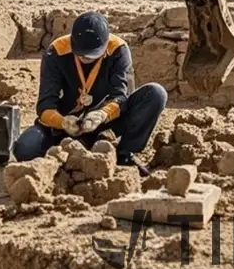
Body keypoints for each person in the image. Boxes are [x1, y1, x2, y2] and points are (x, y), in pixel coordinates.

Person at [11, 11, 167, 176]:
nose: (85, 58)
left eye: (92, 55)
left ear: (105, 45)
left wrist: (101, 115)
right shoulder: (56, 51)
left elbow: (121, 97)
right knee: (25, 149)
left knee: (156, 93)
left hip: (104, 124)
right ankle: (67, 154)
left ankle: (123, 154)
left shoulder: (118, 49)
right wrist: (63, 122)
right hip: (66, 126)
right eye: (81, 53)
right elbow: (45, 106)